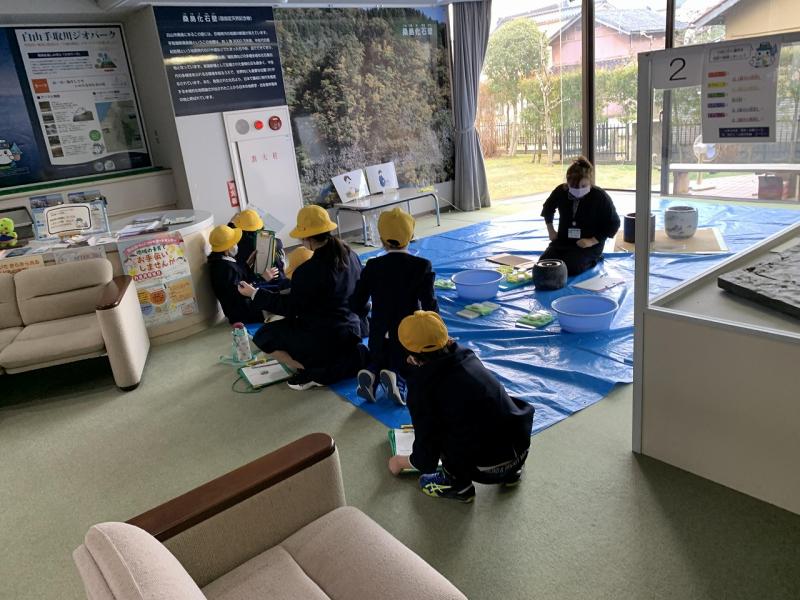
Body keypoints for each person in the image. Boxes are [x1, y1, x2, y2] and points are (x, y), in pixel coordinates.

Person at [388, 311, 535, 503]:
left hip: (485, 469)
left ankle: (459, 487)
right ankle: (511, 473)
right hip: (520, 449)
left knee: (441, 433)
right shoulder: (467, 356)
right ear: (446, 339)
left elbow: (427, 446)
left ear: (411, 356)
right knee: (491, 406)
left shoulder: (422, 389)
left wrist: (400, 462)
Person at [237, 205, 369, 390]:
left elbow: (290, 308)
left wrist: (254, 293)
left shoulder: (308, 271)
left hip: (325, 336)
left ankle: (316, 371)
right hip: (353, 330)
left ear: (307, 238)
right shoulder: (351, 254)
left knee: (264, 335)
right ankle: (345, 360)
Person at [350, 208, 437, 406]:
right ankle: (398, 379)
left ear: (381, 239)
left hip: (378, 332)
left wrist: (366, 311)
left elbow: (356, 302)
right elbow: (429, 304)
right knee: (412, 364)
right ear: (411, 236)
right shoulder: (421, 265)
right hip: (407, 334)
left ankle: (372, 373)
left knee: (380, 356)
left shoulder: (372, 266)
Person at [540, 156, 620, 276]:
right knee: (544, 264)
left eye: (583, 186)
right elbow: (548, 208)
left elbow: (614, 223)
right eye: (574, 186)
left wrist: (592, 241)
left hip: (589, 243)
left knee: (571, 267)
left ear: (590, 182)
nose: (578, 190)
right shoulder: (561, 191)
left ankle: (595, 258)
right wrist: (551, 230)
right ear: (567, 182)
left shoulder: (600, 196)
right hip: (563, 240)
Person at [207, 224, 278, 325]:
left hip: (240, 308)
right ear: (226, 249)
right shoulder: (224, 269)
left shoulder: (220, 261)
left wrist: (247, 264)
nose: (236, 245)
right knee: (277, 297)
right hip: (244, 313)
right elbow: (240, 292)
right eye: (234, 243)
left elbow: (238, 278)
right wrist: (262, 279)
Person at [230, 208, 289, 291]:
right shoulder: (266, 240)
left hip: (258, 284)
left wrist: (231, 224)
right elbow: (279, 243)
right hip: (276, 283)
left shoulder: (238, 243)